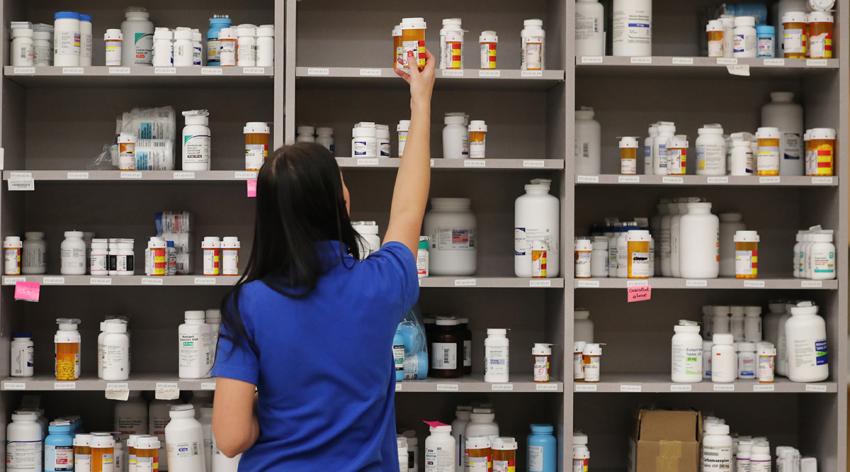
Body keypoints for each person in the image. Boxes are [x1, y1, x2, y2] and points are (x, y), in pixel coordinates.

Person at [211, 49, 436, 471]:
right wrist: (420, 101)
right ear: (341, 203)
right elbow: (408, 209)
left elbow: (231, 437)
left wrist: (275, 419)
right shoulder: (382, 283)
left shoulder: (248, 304)